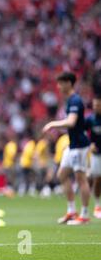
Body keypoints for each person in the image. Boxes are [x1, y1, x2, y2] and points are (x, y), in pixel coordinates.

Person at [43, 72, 91, 225]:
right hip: (72, 144)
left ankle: (84, 215)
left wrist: (52, 124)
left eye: (60, 83)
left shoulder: (75, 100)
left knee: (80, 179)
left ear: (69, 83)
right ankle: (71, 211)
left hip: (80, 146)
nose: (58, 86)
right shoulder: (70, 100)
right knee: (62, 175)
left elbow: (71, 122)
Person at [85, 94, 101, 218]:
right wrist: (90, 144)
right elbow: (84, 133)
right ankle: (97, 205)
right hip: (97, 154)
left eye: (98, 105)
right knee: (98, 178)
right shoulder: (90, 119)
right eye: (95, 105)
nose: (96, 107)